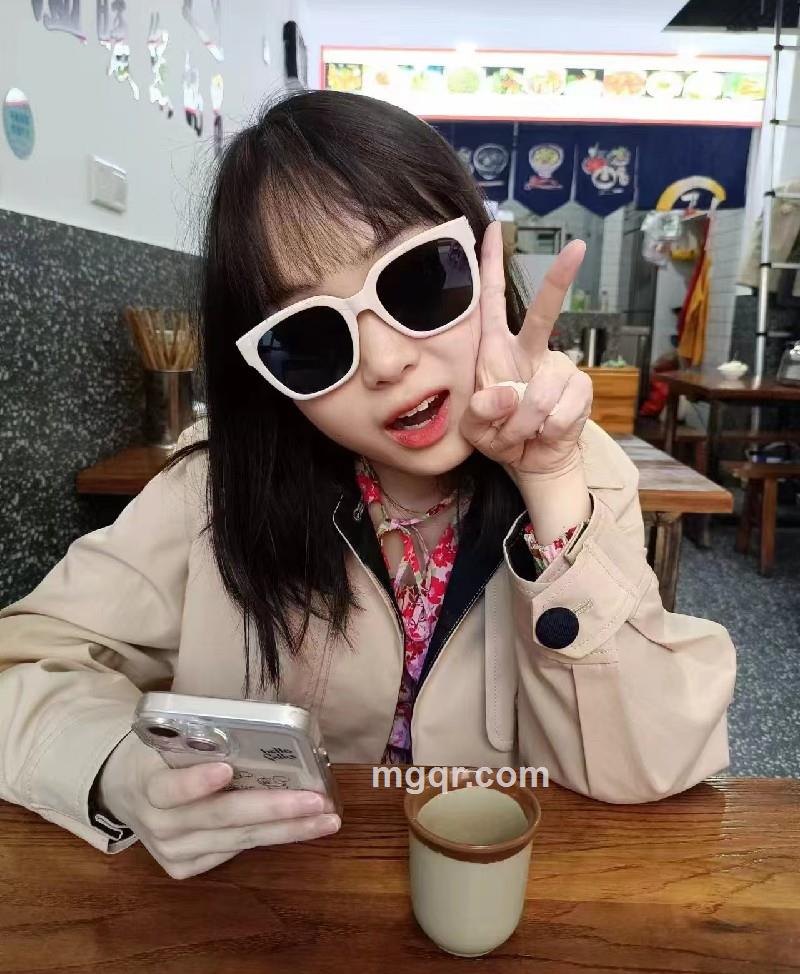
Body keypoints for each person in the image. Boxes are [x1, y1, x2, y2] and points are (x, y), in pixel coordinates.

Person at [0, 90, 736, 880]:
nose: (386, 362)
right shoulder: (213, 491)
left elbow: (649, 765)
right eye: (309, 336)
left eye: (418, 282)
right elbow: (21, 668)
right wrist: (120, 771)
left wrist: (550, 485)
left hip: (500, 901)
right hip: (272, 904)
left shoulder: (583, 475)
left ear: (482, 260)